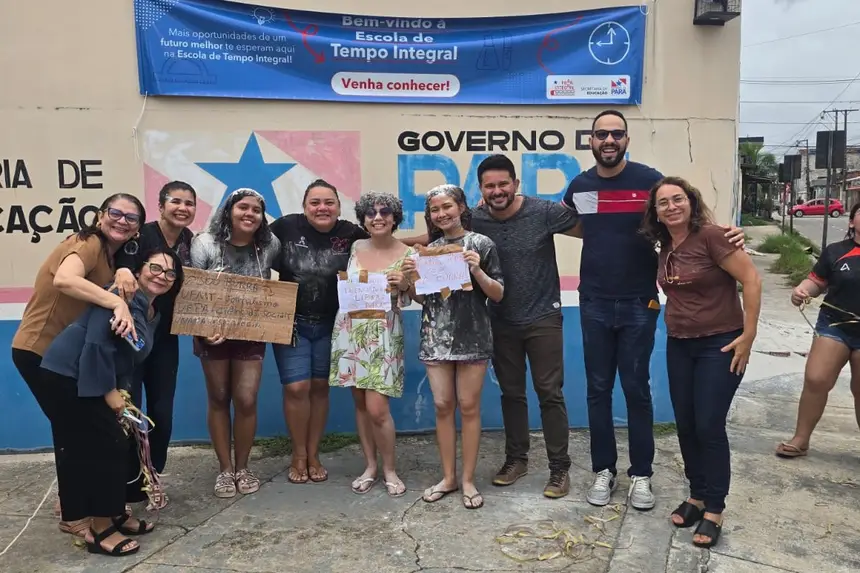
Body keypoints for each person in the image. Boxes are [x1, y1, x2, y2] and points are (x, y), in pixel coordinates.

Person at [561, 109, 745, 510]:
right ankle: (603, 470)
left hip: (638, 303)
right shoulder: (579, 186)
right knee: (597, 390)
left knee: (636, 390)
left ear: (627, 140)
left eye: (617, 134)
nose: (609, 140)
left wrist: (726, 232)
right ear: (590, 141)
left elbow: (685, 217)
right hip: (593, 301)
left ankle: (641, 474)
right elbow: (576, 225)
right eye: (601, 134)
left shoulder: (649, 181)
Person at [11, 193, 144, 537]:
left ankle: (75, 508)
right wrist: (116, 301)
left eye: (131, 218)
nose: (122, 221)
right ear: (100, 216)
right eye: (116, 213)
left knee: (72, 431)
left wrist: (123, 273)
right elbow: (65, 279)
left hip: (65, 358)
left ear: (137, 230)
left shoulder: (110, 258)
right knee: (84, 432)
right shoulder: (87, 242)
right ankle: (78, 515)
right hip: (39, 350)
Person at [39, 247, 184, 556]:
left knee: (120, 442)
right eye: (155, 268)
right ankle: (101, 529)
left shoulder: (152, 312)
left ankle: (116, 512)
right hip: (70, 375)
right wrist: (109, 393)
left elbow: (126, 356)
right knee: (105, 446)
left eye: (170, 273)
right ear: (139, 270)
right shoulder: (119, 295)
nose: (162, 276)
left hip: (97, 378)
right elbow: (96, 343)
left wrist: (121, 390)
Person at [642, 176, 761, 549]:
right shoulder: (665, 245)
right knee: (687, 424)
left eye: (678, 199)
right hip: (680, 344)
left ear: (691, 202)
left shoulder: (712, 236)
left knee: (709, 425)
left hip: (720, 344)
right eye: (663, 203)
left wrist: (749, 335)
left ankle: (715, 508)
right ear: (656, 213)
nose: (672, 207)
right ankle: (696, 495)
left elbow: (751, 280)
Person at [407, 184, 505, 510]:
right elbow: (425, 299)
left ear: (461, 207)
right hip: (435, 336)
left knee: (469, 406)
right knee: (442, 405)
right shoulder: (429, 251)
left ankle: (468, 479)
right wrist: (410, 280)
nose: (442, 214)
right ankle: (448, 477)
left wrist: (476, 269)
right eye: (435, 210)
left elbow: (498, 293)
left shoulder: (481, 244)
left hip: (473, 336)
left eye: (447, 206)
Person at [190, 188, 280, 498]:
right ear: (229, 210)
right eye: (243, 207)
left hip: (251, 332)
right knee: (218, 397)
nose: (249, 213)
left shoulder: (269, 245)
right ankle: (225, 469)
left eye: (256, 209)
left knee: (246, 399)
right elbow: (191, 292)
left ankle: (243, 467)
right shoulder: (204, 243)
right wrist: (203, 330)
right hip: (211, 333)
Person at [113, 180, 197, 509]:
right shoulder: (140, 236)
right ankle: (125, 483)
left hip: (164, 337)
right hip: (130, 334)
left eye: (189, 203)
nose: (182, 208)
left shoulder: (191, 242)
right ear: (161, 206)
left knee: (162, 411)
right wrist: (123, 268)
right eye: (175, 201)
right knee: (129, 412)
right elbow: (119, 265)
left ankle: (152, 476)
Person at [329, 191, 413, 497]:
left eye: (385, 212)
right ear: (363, 219)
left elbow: (414, 295)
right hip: (350, 331)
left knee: (378, 408)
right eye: (371, 213)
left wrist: (405, 284)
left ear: (395, 218)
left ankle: (389, 468)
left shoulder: (408, 254)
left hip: (383, 335)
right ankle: (370, 466)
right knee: (361, 405)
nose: (378, 218)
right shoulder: (356, 247)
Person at [776, 202, 860, 459]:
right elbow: (816, 282)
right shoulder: (836, 252)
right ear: (851, 222)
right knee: (816, 379)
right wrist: (801, 291)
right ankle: (801, 440)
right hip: (835, 325)